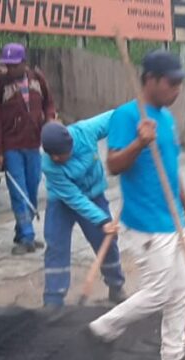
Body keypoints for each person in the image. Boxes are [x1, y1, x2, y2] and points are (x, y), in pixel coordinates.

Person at [89, 50, 185, 360]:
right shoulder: (126, 116)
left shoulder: (166, 119)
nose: (178, 89)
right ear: (150, 80)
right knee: (158, 292)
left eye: (181, 83)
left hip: (172, 218)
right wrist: (138, 143)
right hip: (147, 223)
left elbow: (171, 170)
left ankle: (173, 355)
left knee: (180, 289)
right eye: (172, 82)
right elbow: (113, 165)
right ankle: (103, 328)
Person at [39, 116, 126, 308]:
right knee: (56, 246)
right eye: (50, 154)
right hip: (62, 201)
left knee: (107, 241)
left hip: (94, 195)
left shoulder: (86, 132)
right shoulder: (49, 166)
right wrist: (102, 219)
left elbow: (118, 117)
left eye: (59, 154)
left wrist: (133, 137)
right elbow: (74, 199)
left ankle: (116, 286)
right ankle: (53, 300)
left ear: (69, 145)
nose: (55, 158)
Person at [0, 42, 55, 255]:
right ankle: (27, 237)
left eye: (14, 65)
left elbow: (49, 104)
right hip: (11, 146)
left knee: (32, 189)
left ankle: (22, 230)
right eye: (7, 64)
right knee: (19, 191)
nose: (10, 69)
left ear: (24, 63)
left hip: (33, 144)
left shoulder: (37, 79)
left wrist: (49, 120)